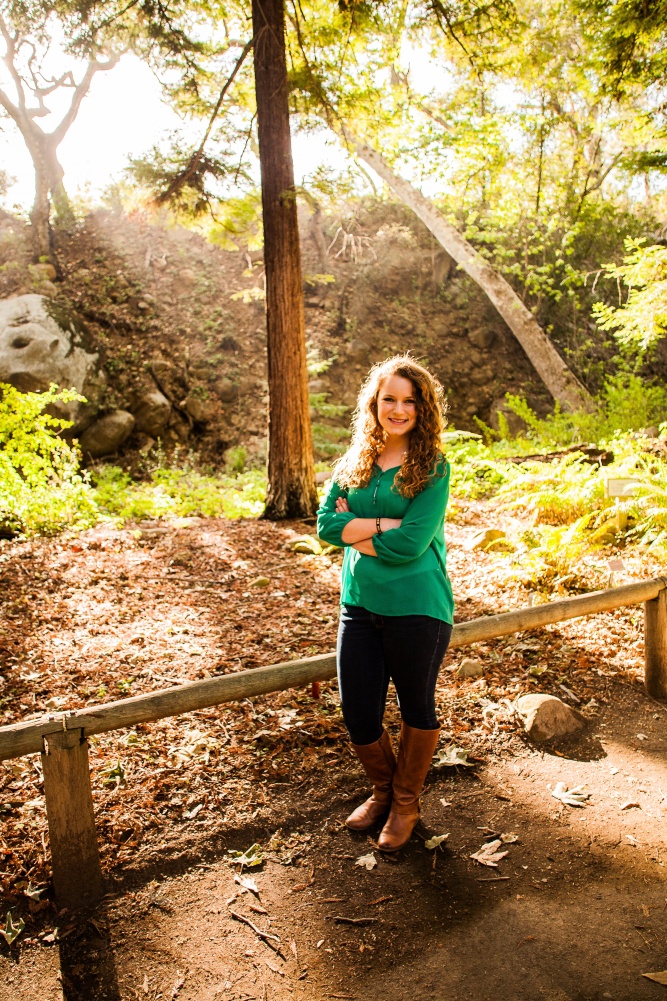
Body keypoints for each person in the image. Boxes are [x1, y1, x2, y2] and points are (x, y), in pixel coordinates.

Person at [317, 355, 454, 852]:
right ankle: (382, 792)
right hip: (359, 604)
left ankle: (406, 802)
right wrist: (385, 527)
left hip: (418, 606)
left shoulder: (433, 467)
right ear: (373, 404)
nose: (398, 409)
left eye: (408, 401)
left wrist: (360, 532)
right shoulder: (353, 462)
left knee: (415, 705)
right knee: (358, 712)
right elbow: (325, 527)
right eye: (388, 399)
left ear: (422, 408)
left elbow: (413, 545)